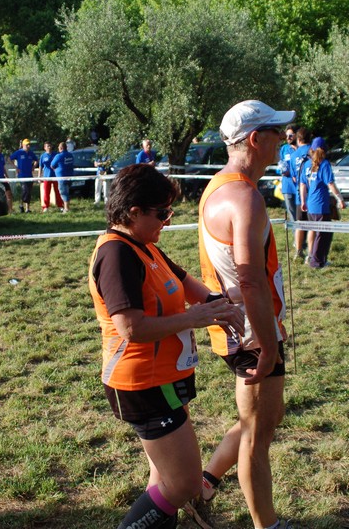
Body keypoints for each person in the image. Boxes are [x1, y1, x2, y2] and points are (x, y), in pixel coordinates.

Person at [89, 164, 244, 529]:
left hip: (162, 379)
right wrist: (197, 317)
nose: (168, 221)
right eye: (161, 213)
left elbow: (187, 283)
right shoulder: (117, 254)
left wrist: (220, 302)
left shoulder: (144, 246)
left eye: (170, 212)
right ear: (133, 213)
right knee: (185, 483)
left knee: (163, 477)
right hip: (141, 384)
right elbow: (131, 328)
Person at [198, 100, 296, 529]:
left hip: (239, 330)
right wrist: (269, 345)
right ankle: (267, 526)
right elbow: (251, 282)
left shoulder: (219, 186)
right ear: (255, 139)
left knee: (261, 420)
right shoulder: (245, 198)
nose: (282, 139)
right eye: (275, 131)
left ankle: (206, 481)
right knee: (258, 437)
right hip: (252, 337)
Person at [300, 137, 346, 268]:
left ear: (312, 150)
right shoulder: (324, 164)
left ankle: (315, 259)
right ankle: (317, 262)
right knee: (323, 235)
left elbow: (302, 184)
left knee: (317, 233)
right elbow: (330, 183)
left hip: (310, 205)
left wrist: (303, 201)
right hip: (321, 205)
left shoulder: (307, 164)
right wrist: (340, 199)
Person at [289, 127, 312, 260]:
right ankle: (311, 253)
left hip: (299, 195)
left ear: (298, 139)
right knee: (312, 226)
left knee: (299, 224)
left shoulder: (294, 155)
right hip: (313, 195)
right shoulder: (313, 152)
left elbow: (293, 177)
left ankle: (298, 251)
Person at [9, 139, 38, 213]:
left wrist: (33, 167)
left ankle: (27, 208)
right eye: (27, 145)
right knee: (25, 190)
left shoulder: (31, 153)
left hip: (29, 175)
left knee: (29, 191)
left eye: (29, 145)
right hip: (22, 175)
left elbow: (36, 160)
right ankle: (21, 204)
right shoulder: (19, 152)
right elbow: (10, 159)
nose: (28, 146)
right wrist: (16, 167)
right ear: (23, 145)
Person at [278, 125, 297, 223]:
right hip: (288, 187)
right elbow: (279, 165)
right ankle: (297, 238)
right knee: (293, 217)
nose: (288, 137)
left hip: (301, 187)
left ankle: (306, 238)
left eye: (290, 135)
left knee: (303, 216)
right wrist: (282, 170)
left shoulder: (303, 149)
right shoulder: (284, 149)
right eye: (286, 135)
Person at [38, 142, 64, 212]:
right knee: (46, 192)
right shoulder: (43, 156)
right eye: (47, 146)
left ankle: (60, 205)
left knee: (58, 191)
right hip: (46, 176)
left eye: (50, 146)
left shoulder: (56, 155)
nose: (49, 147)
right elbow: (40, 166)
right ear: (45, 148)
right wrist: (39, 176)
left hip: (55, 176)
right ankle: (46, 207)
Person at [51, 142, 74, 213]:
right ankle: (67, 207)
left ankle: (66, 209)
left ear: (61, 148)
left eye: (58, 147)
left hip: (62, 178)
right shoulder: (71, 155)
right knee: (68, 192)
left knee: (64, 193)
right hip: (70, 176)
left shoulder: (58, 156)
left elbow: (52, 165)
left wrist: (55, 170)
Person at [0, 143, 13, 213]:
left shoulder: (1, 156)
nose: (0, 149)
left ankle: (10, 209)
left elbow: (3, 167)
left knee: (9, 192)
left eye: (0, 148)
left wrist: (7, 176)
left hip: (2, 177)